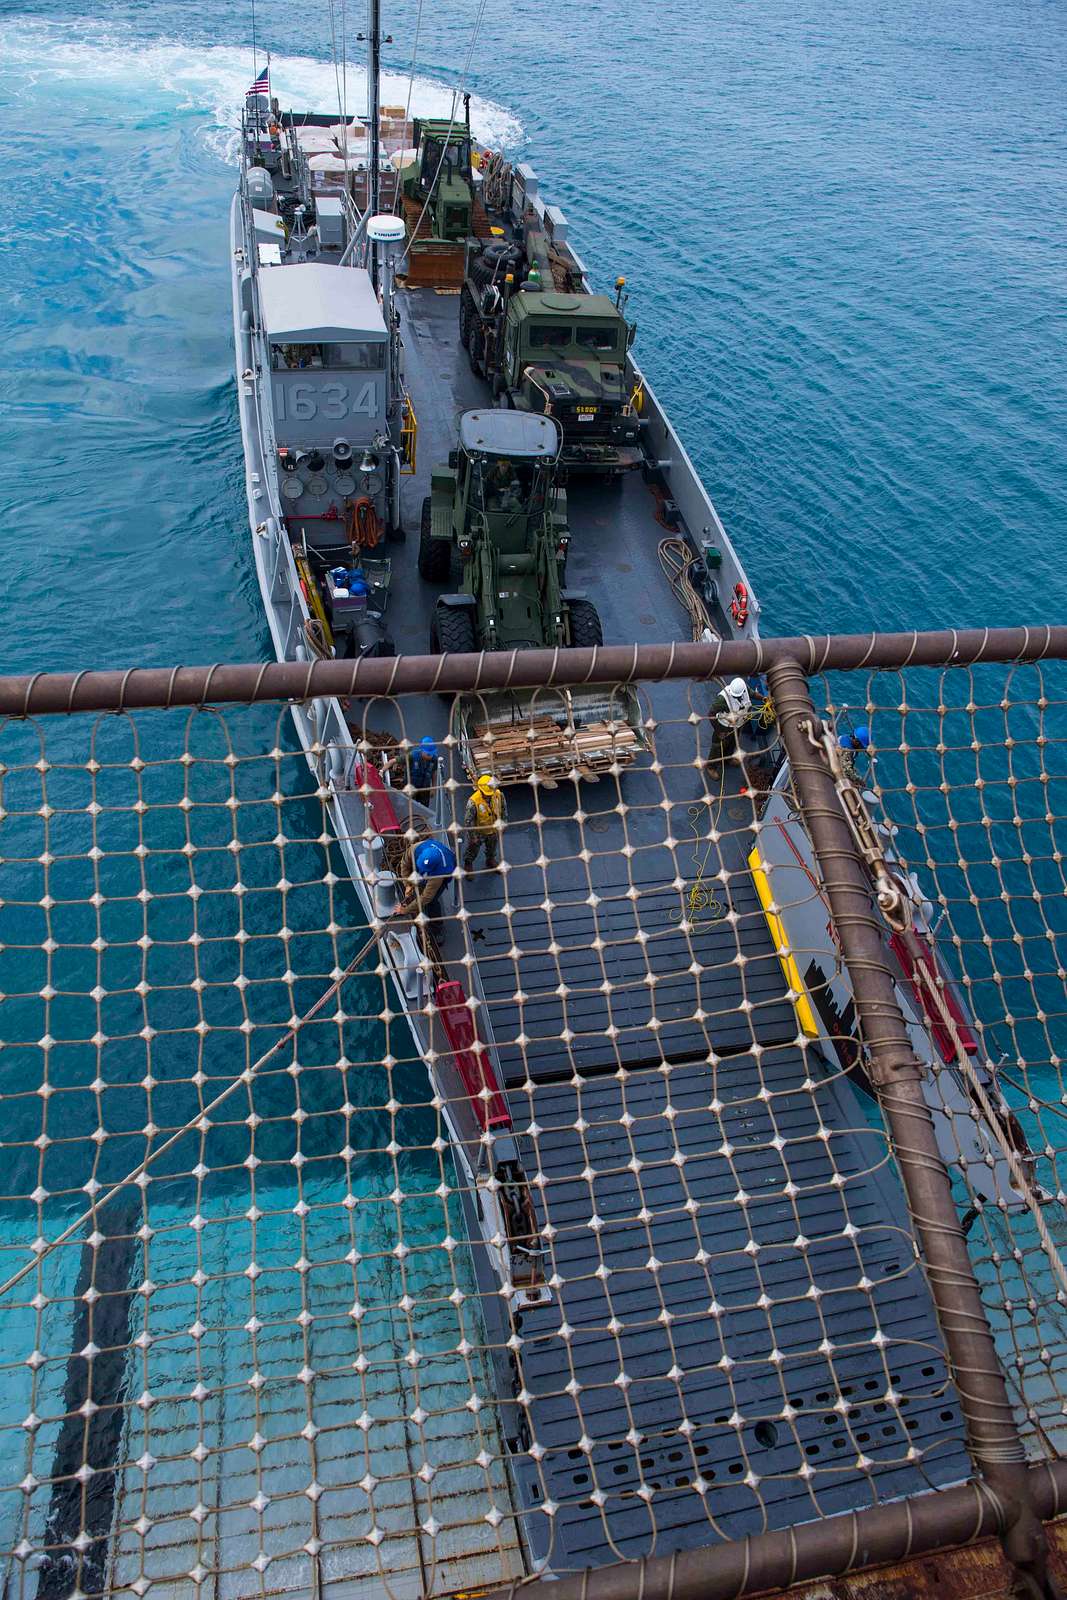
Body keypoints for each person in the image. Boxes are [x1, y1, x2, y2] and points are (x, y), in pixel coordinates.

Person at [392, 837, 456, 923]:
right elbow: (404, 863)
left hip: (439, 871)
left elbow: (427, 897)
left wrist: (405, 910)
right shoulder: (415, 849)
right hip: (428, 867)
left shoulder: (439, 873)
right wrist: (407, 884)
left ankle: (437, 924)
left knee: (432, 901)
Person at [463, 774, 507, 874]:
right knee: (472, 849)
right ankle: (468, 863)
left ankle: (490, 860)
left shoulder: (498, 795)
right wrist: (472, 836)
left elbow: (504, 809)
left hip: (494, 829)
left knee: (492, 847)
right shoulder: (473, 802)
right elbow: (468, 821)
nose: (489, 795)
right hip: (479, 832)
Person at [707, 677, 753, 772]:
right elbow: (711, 714)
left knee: (732, 743)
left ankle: (727, 760)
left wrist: (763, 698)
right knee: (718, 747)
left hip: (737, 725)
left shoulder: (744, 689)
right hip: (724, 726)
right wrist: (719, 731)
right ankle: (711, 767)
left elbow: (752, 693)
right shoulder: (722, 700)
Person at [407, 736, 439, 806]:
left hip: (425, 788)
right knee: (411, 805)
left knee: (424, 808)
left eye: (431, 754)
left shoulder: (434, 760)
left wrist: (433, 788)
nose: (430, 756)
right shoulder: (413, 756)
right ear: (422, 750)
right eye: (428, 754)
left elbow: (434, 773)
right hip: (412, 787)